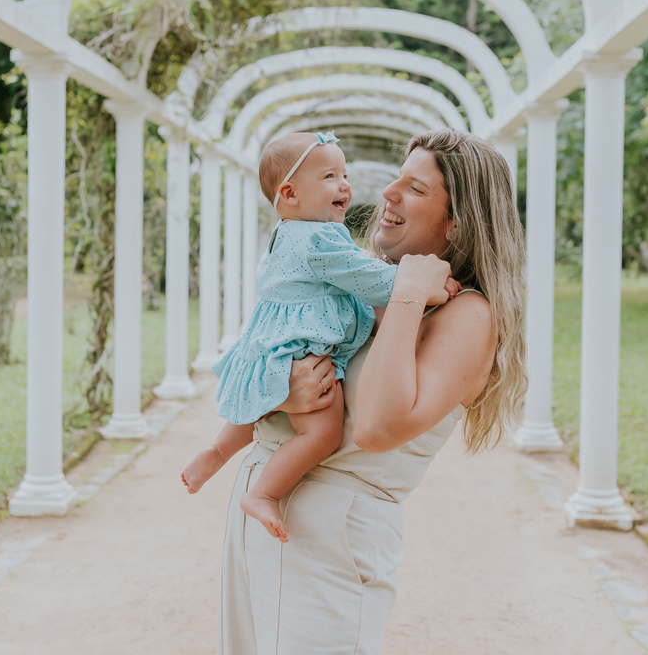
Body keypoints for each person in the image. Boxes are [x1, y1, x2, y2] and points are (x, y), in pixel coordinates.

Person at [219, 128, 528, 654]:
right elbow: (258, 352)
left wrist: (408, 292)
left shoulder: (469, 315)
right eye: (396, 179)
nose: (386, 192)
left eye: (416, 188)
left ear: (458, 223)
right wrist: (285, 392)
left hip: (331, 537)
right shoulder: (358, 286)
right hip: (261, 517)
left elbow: (381, 426)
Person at [181, 131, 457, 542]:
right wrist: (424, 284)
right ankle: (265, 493)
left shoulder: (284, 234)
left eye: (344, 174)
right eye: (330, 176)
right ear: (289, 193)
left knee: (258, 403)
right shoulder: (319, 239)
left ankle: (218, 450)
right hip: (302, 346)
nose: (346, 185)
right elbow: (370, 279)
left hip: (270, 342)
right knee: (321, 432)